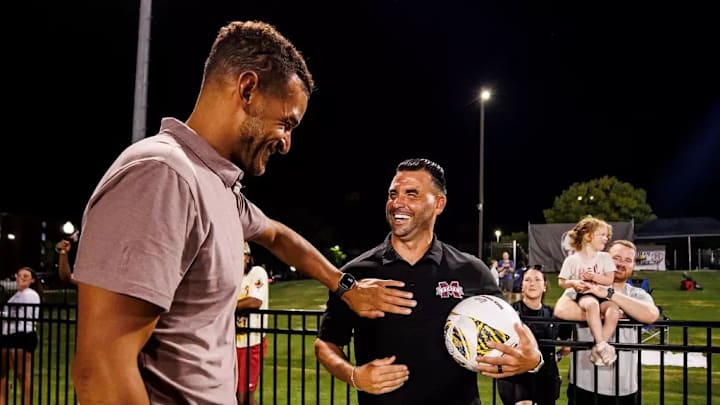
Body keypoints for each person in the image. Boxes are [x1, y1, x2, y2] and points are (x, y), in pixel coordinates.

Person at [70, 21, 416, 404]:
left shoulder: (215, 185)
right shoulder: (163, 175)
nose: (286, 143)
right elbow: (100, 371)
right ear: (248, 88)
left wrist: (344, 285)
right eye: (287, 122)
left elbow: (278, 236)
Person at [314, 158, 544, 405]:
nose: (397, 203)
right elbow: (326, 343)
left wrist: (533, 361)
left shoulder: (471, 271)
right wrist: (354, 375)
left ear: (439, 204)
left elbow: (513, 333)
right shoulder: (356, 275)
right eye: (393, 194)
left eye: (411, 194)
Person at [554, 240, 659, 405]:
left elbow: (651, 315)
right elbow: (561, 309)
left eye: (627, 260)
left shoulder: (637, 294)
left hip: (625, 389)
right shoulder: (583, 287)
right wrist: (608, 313)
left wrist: (609, 295)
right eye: (616, 258)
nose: (621, 264)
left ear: (633, 266)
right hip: (585, 385)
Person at [497, 266, 572, 405]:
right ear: (522, 286)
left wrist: (557, 356)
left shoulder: (552, 314)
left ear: (544, 286)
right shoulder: (510, 312)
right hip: (517, 377)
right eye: (527, 280)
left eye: (537, 279)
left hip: (546, 379)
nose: (532, 283)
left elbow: (568, 342)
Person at [557, 217, 619, 366]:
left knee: (614, 311)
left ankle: (598, 347)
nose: (606, 238)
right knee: (592, 305)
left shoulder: (605, 257)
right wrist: (574, 283)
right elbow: (562, 281)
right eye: (601, 235)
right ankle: (601, 345)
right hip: (584, 295)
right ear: (587, 236)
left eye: (607, 236)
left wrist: (594, 277)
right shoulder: (572, 260)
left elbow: (609, 279)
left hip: (602, 294)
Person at [0, 267, 43, 405]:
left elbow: (19, 316)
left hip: (22, 335)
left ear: (32, 279)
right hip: (9, 337)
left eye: (26, 275)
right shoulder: (17, 295)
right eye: (19, 275)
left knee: (23, 375)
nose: (22, 278)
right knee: (2, 373)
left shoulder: (29, 294)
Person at [236, 242, 269, 405]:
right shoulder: (232, 278)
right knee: (234, 395)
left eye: (239, 255)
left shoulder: (256, 273)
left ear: (248, 258)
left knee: (245, 397)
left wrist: (228, 307)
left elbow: (254, 301)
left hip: (251, 344)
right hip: (231, 343)